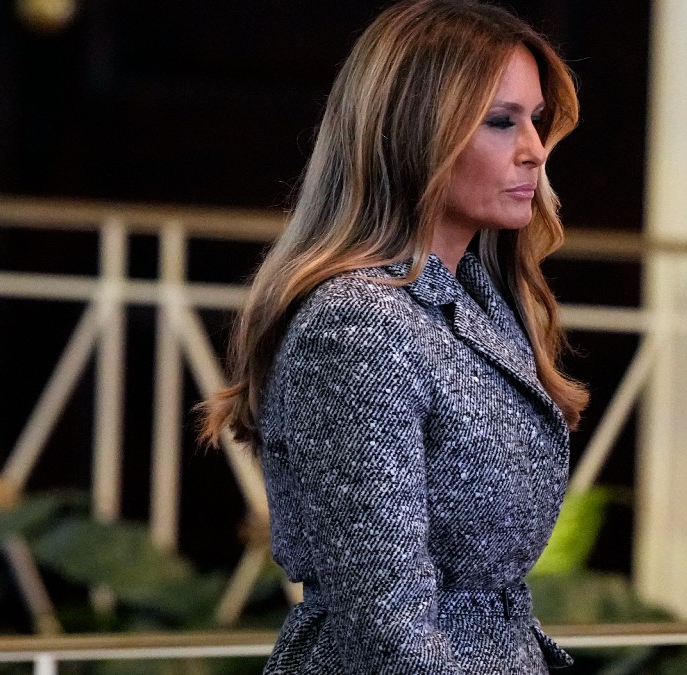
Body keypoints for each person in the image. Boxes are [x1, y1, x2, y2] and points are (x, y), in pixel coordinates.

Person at [199, 1, 587, 672]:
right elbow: (388, 630)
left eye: (536, 119)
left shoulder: (477, 298)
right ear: (417, 134)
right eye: (501, 122)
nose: (533, 149)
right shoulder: (356, 326)